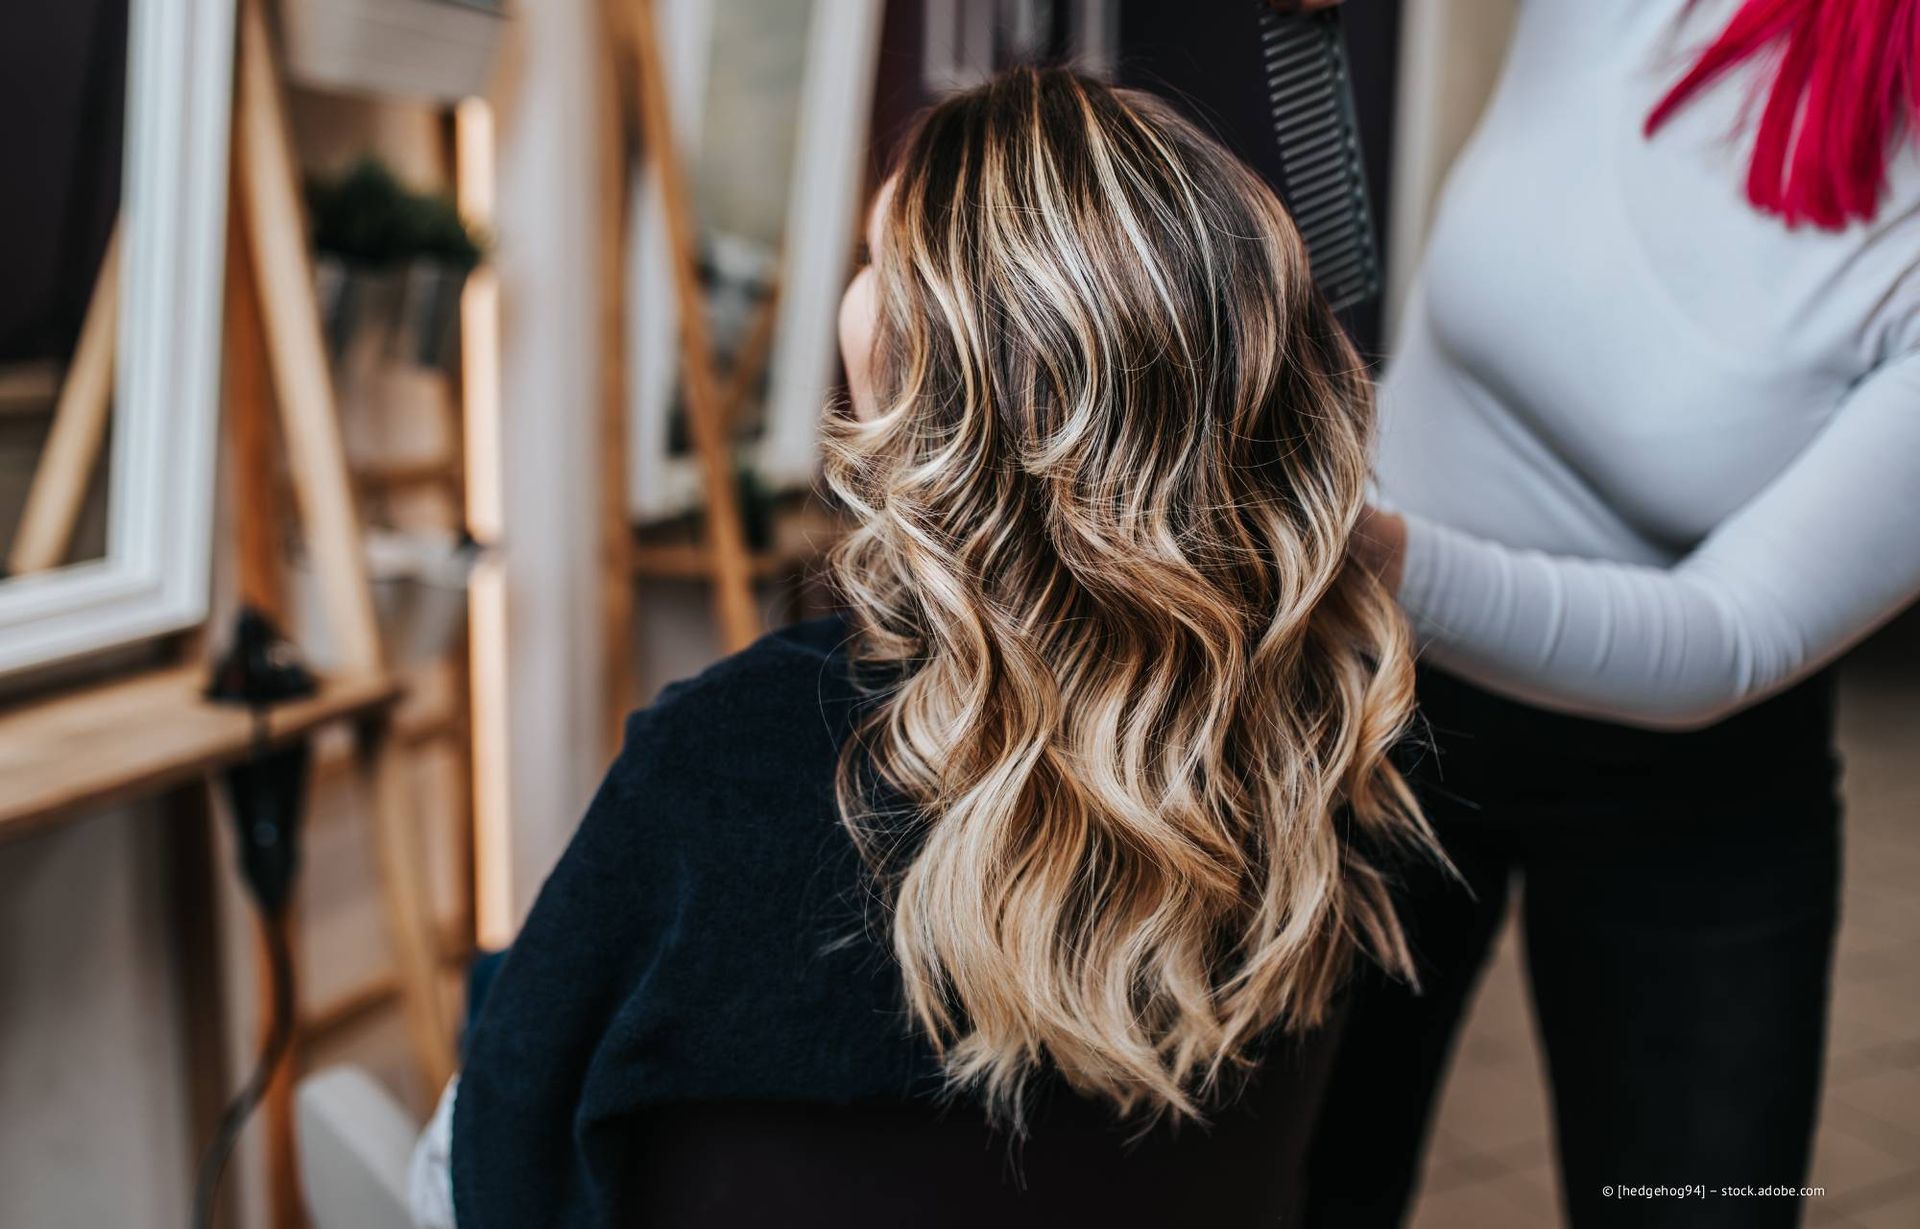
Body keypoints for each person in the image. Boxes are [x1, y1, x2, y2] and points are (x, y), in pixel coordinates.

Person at [420, 66, 1437, 1229]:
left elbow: (489, 1179)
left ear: (931, 369)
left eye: (874, 260)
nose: (853, 293)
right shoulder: (1336, 748)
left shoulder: (726, 765)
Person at [1308, 2, 1920, 1226]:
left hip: (1697, 792)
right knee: (1303, 1181)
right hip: (1367, 715)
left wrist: (1354, 548)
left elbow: (1725, 637)